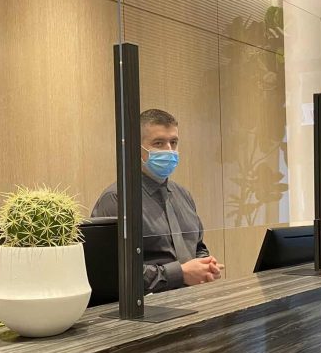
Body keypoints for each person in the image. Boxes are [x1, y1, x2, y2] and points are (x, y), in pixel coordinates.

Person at [92, 109, 223, 293]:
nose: (169, 150)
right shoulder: (117, 199)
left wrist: (205, 265)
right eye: (158, 143)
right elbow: (112, 270)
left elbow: (198, 246)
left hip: (193, 299)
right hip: (147, 306)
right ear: (135, 148)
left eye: (173, 142)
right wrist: (180, 274)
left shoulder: (183, 194)